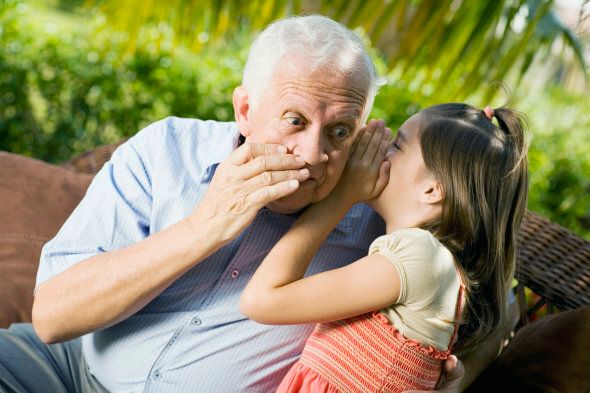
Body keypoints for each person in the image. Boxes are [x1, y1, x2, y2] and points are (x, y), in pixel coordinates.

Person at [0, 15, 511, 393]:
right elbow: (52, 317)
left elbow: (494, 296)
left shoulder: (375, 218)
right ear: (245, 109)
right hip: (65, 367)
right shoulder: (168, 150)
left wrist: (457, 375)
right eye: (294, 120)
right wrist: (206, 226)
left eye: (339, 131)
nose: (313, 155)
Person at [240, 104, 529, 393]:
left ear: (431, 190)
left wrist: (340, 197)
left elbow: (261, 301)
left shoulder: (420, 256)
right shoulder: (430, 260)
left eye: (397, 146)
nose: (381, 151)